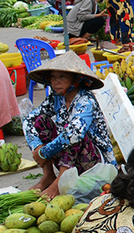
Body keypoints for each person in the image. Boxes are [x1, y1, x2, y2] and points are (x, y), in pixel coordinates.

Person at [24, 51, 115, 198]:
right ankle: (48, 175)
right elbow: (29, 120)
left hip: (94, 161)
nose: (56, 82)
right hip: (69, 158)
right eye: (53, 77)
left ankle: (60, 181)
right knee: (39, 121)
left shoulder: (86, 101)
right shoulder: (56, 98)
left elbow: (74, 134)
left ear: (76, 80)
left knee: (73, 134)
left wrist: (45, 152)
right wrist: (37, 148)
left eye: (62, 77)